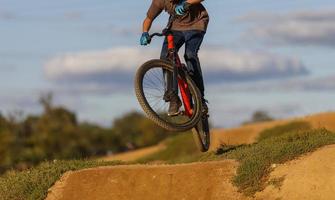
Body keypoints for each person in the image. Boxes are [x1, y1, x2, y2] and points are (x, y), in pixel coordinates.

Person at [140, 0, 209, 116]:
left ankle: (200, 100)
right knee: (165, 58)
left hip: (197, 23)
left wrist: (187, 3)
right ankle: (173, 98)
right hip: (175, 28)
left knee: (190, 55)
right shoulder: (159, 1)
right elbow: (148, 19)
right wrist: (145, 32)